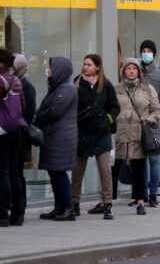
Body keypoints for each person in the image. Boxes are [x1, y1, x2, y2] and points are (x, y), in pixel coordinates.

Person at [71, 55, 120, 220]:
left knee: (105, 171)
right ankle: (74, 204)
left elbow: (115, 106)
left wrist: (108, 119)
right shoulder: (77, 83)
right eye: (84, 64)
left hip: (101, 133)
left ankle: (107, 205)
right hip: (82, 133)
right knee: (78, 172)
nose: (85, 67)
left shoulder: (105, 84)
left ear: (97, 67)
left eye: (89, 65)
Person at [113, 58, 160, 216]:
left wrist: (148, 120)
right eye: (128, 68)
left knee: (139, 169)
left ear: (139, 71)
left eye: (134, 68)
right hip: (120, 134)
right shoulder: (117, 89)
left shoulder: (147, 88)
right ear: (123, 71)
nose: (131, 71)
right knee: (115, 168)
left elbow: (156, 110)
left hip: (139, 135)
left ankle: (140, 202)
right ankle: (108, 201)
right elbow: (111, 109)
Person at [35, 57, 79, 221]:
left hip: (61, 137)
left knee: (59, 172)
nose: (49, 70)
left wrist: (37, 118)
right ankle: (59, 206)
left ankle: (68, 207)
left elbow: (54, 111)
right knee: (54, 172)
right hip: (54, 136)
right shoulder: (57, 87)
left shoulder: (66, 89)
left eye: (51, 67)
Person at [139, 40, 160, 208]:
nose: (145, 53)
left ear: (153, 53)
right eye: (143, 50)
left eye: (148, 50)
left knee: (154, 160)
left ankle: (153, 194)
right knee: (140, 160)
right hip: (138, 123)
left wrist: (157, 114)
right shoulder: (135, 71)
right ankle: (141, 194)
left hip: (154, 124)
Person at [0, 50, 25, 227]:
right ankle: (18, 213)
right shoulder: (16, 80)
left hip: (1, 130)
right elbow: (22, 105)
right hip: (15, 129)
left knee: (2, 172)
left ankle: (2, 214)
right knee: (13, 172)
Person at [10, 54, 35, 226]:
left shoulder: (25, 86)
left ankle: (19, 210)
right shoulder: (11, 84)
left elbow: (28, 112)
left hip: (19, 136)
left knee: (16, 172)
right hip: (15, 134)